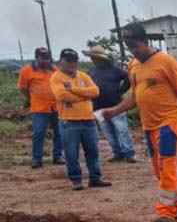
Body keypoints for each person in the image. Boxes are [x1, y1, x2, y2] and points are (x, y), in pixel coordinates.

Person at [102, 22, 177, 222]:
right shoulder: (133, 65)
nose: (133, 51)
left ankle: (166, 211)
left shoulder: (166, 62)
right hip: (149, 125)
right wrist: (114, 111)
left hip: (170, 120)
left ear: (144, 40)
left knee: (167, 165)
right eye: (128, 46)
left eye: (135, 45)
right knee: (159, 169)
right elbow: (135, 96)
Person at [49, 48, 111, 191]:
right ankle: (76, 180)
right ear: (61, 61)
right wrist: (85, 96)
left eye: (74, 61)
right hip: (69, 121)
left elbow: (95, 92)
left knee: (93, 152)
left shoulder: (83, 75)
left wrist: (73, 89)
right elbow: (62, 96)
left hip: (89, 120)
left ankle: (95, 178)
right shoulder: (56, 77)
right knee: (71, 154)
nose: (72, 64)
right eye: (68, 61)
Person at [84, 45, 135, 163]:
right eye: (92, 58)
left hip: (115, 105)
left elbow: (128, 77)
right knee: (108, 133)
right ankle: (117, 153)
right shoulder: (91, 72)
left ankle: (129, 153)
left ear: (100, 58)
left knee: (122, 130)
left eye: (94, 58)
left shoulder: (114, 70)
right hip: (98, 107)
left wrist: (121, 90)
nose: (93, 60)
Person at [18, 47, 63, 168]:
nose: (46, 61)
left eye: (48, 58)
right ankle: (37, 159)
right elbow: (23, 88)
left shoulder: (54, 69)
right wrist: (30, 99)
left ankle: (58, 156)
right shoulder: (26, 70)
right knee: (39, 133)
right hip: (39, 108)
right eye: (43, 58)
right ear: (37, 58)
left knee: (59, 132)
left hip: (56, 106)